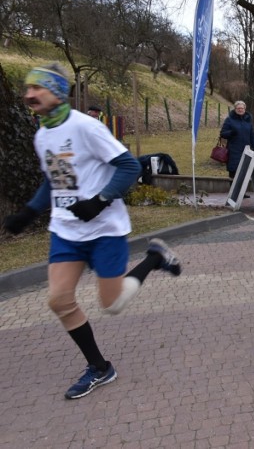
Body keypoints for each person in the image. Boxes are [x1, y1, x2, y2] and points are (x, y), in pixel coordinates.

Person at [2, 63, 182, 399]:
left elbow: (130, 165)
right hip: (66, 231)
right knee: (59, 300)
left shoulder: (86, 127)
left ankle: (154, 258)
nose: (28, 95)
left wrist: (99, 202)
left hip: (104, 229)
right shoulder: (42, 135)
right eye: (27, 89)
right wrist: (29, 212)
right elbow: (54, 179)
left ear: (55, 91)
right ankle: (100, 368)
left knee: (111, 305)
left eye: (36, 89)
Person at [220, 100, 254, 179]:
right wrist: (231, 133)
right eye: (238, 108)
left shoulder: (248, 121)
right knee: (234, 174)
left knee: (244, 174)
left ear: (245, 109)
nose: (240, 110)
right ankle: (233, 191)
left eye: (242, 108)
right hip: (233, 151)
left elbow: (252, 136)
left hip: (246, 151)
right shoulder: (229, 120)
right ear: (235, 109)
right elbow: (223, 133)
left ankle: (243, 191)